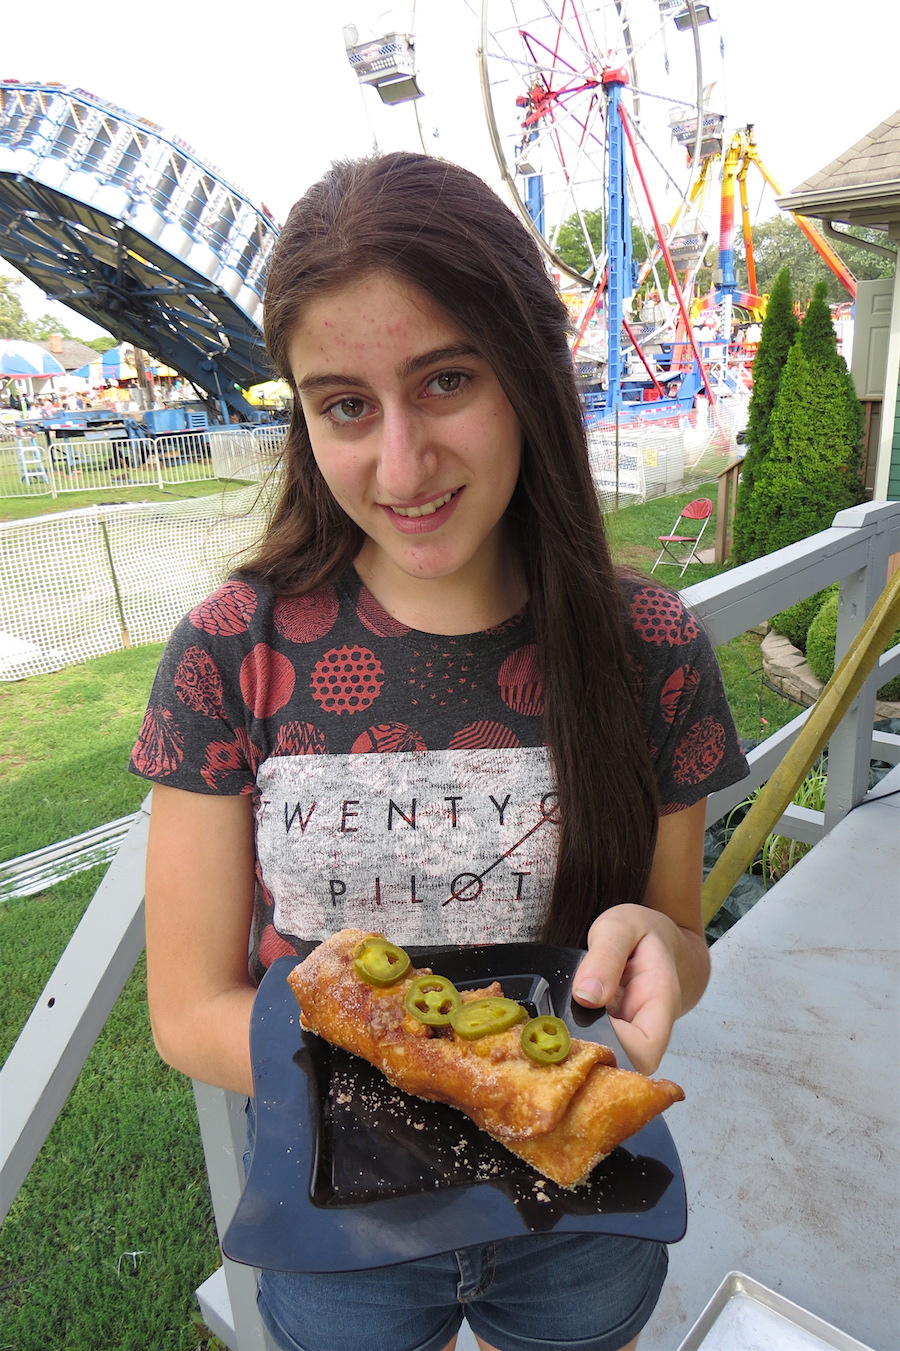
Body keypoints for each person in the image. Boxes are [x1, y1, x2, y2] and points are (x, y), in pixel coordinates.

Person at [130, 151, 749, 1351]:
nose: (401, 466)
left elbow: (678, 944)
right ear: (303, 414)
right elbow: (187, 1006)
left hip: (583, 1216)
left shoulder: (652, 648)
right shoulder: (230, 650)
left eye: (448, 379)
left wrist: (659, 949)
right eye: (346, 405)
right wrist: (441, 1072)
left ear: (528, 372)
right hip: (335, 1230)